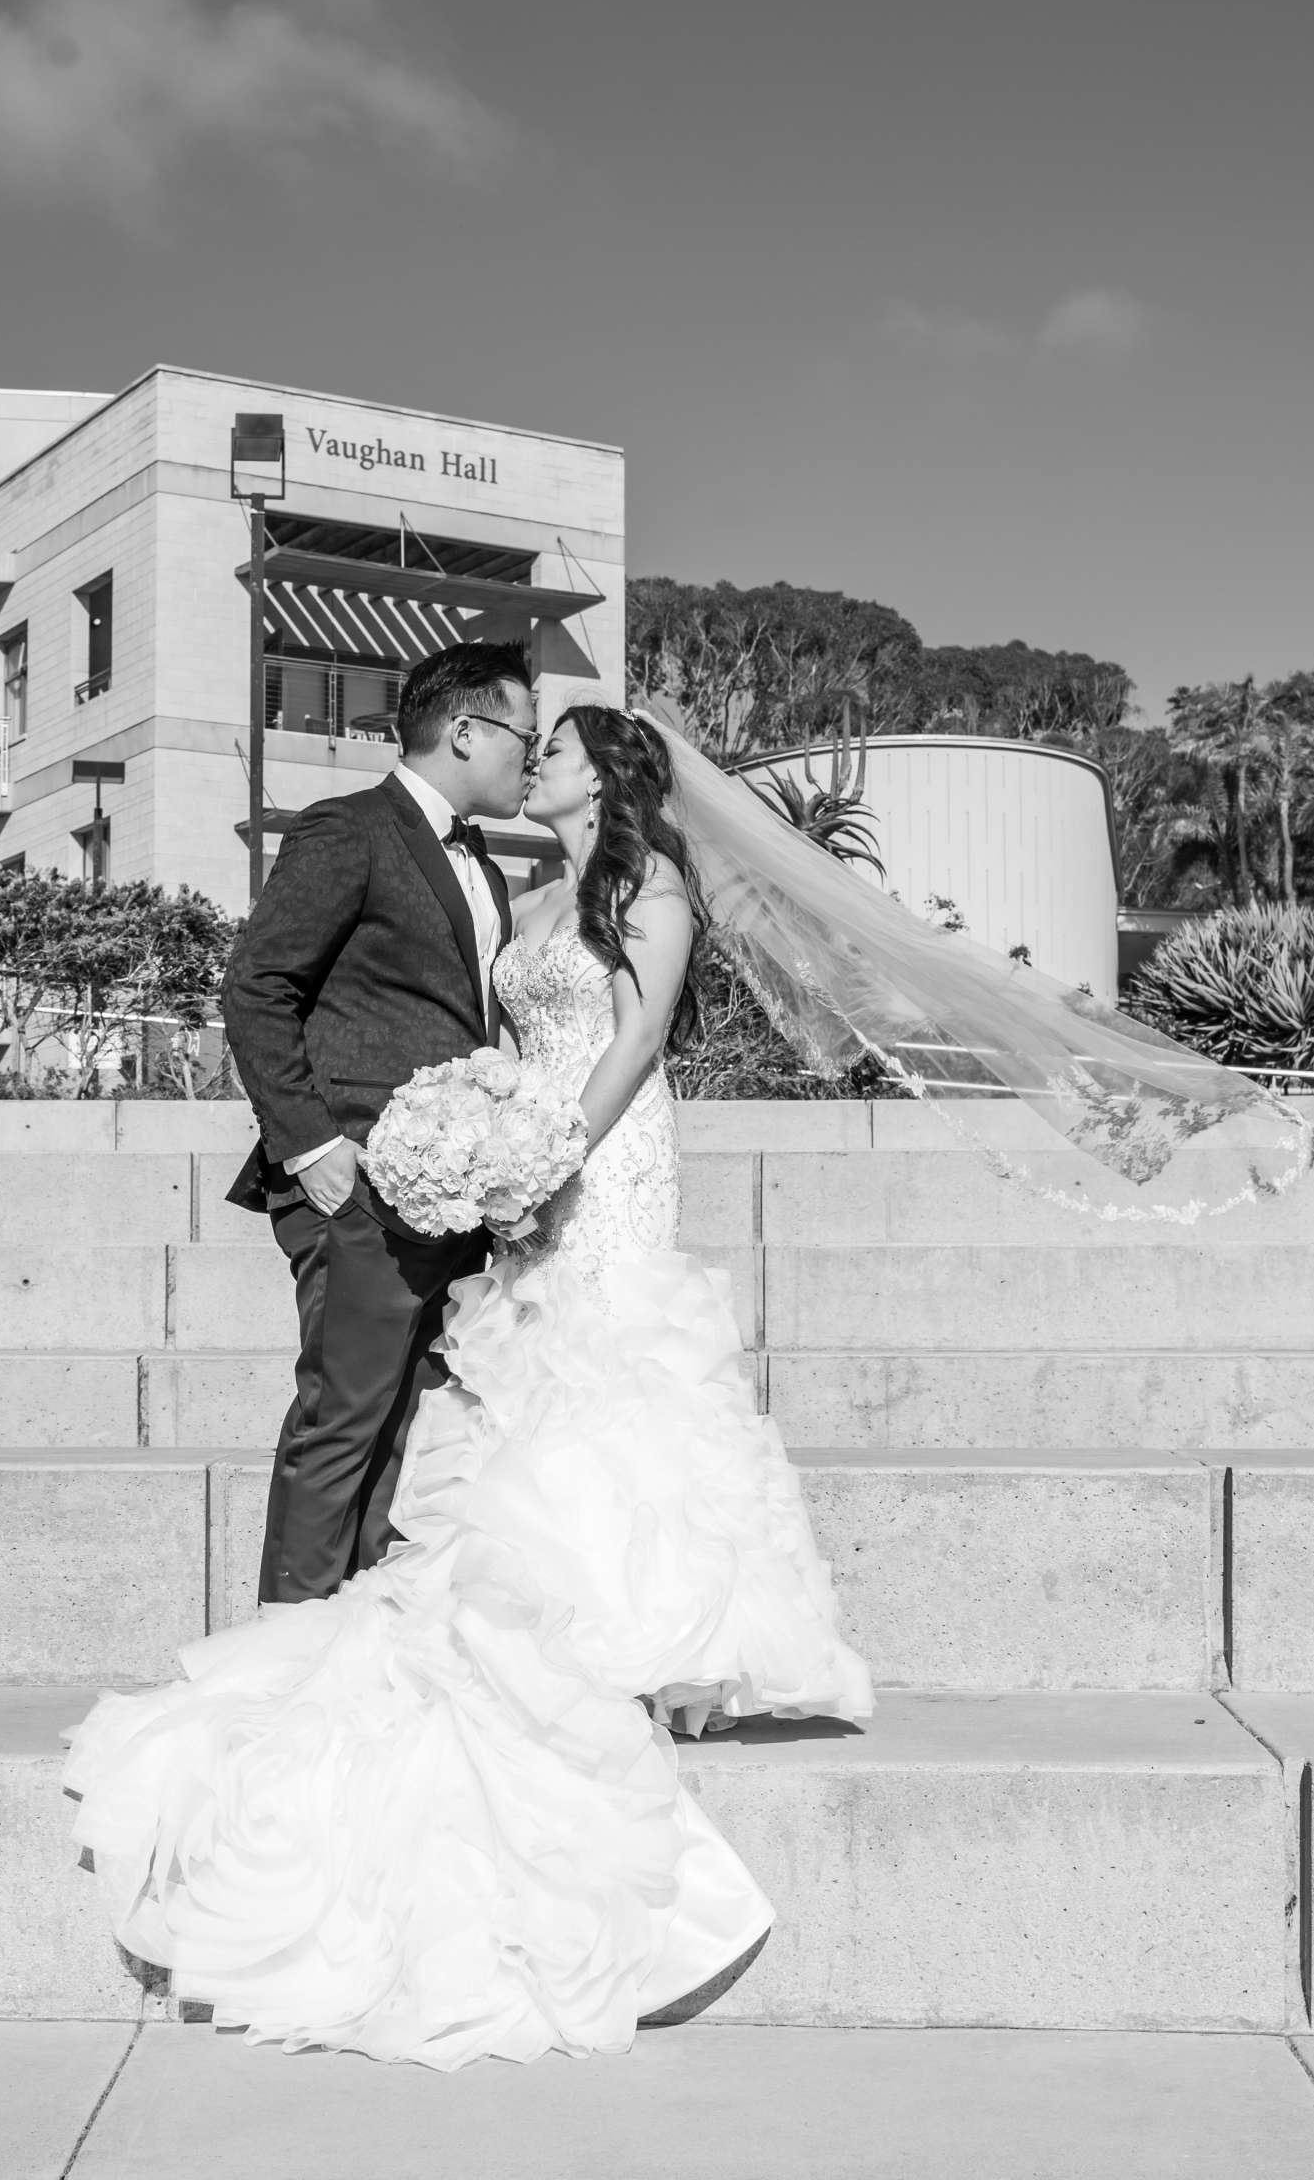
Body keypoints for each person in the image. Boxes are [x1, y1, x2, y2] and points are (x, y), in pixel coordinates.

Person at [63, 700, 873, 2068]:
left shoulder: (649, 885)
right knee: (519, 1384)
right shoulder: (528, 883)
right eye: (527, 741)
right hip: (514, 1165)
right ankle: (508, 1604)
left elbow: (639, 1037)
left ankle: (653, 1634)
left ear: (605, 775)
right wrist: (492, 1140)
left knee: (611, 1368)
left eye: (554, 750)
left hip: (598, 1162)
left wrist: (550, 1146)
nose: (534, 763)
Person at [221, 640, 535, 1604]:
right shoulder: (350, 829)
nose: (532, 755)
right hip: (354, 1183)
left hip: (448, 1195)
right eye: (524, 736)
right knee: (345, 1419)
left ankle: (351, 1652)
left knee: (408, 1427)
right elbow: (256, 986)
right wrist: (313, 1146)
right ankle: (281, 1658)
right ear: (465, 730)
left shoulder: (483, 863)